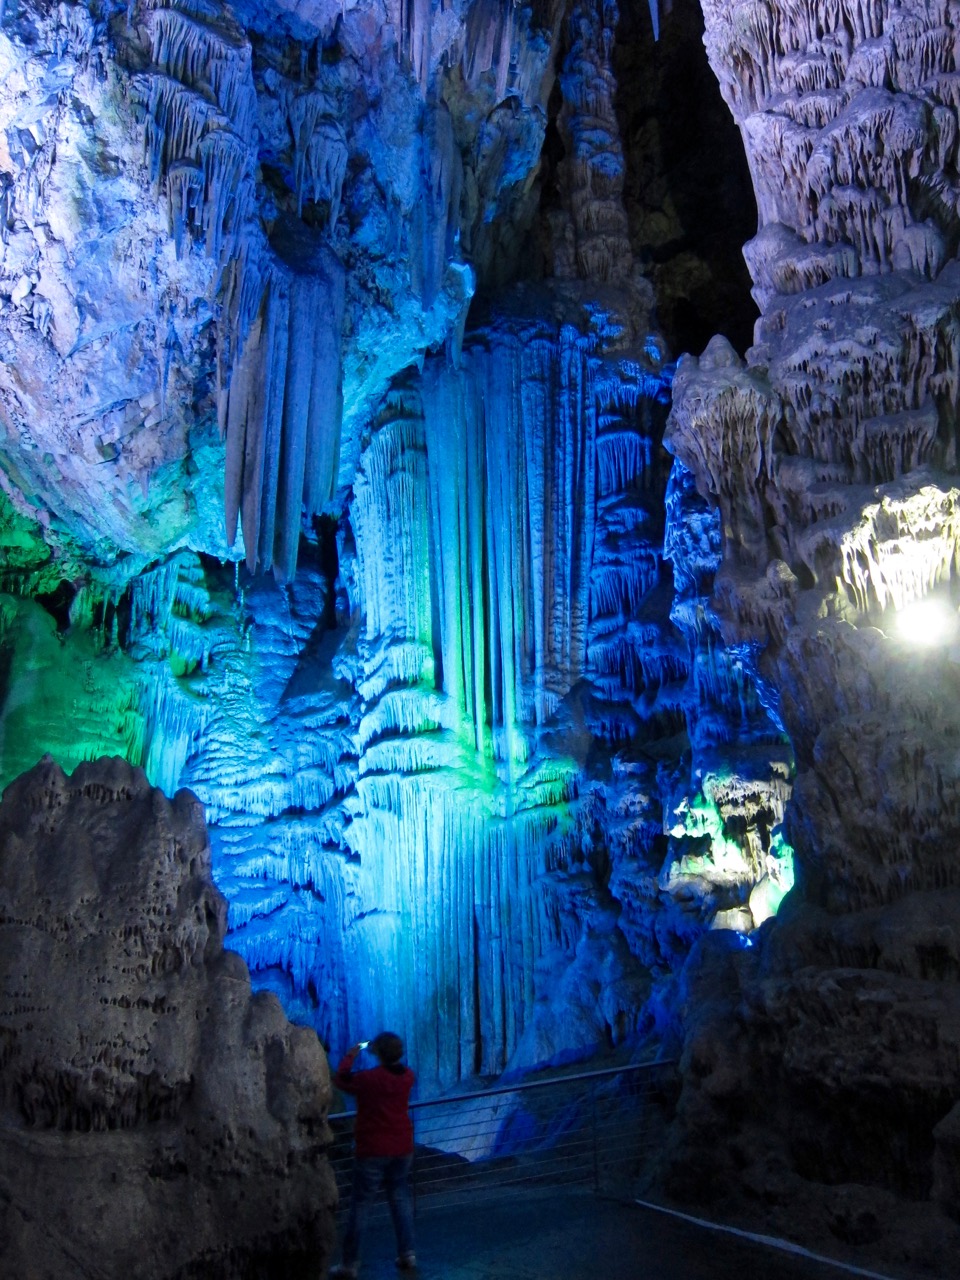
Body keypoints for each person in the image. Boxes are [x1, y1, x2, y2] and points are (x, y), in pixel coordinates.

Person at [330, 1031, 417, 1277]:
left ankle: (349, 1264)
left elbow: (341, 1079)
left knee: (361, 1207)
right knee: (400, 1200)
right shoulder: (408, 1077)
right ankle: (407, 1254)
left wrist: (353, 1051)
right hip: (402, 1148)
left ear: (377, 1052)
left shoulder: (370, 1079)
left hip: (373, 1150)